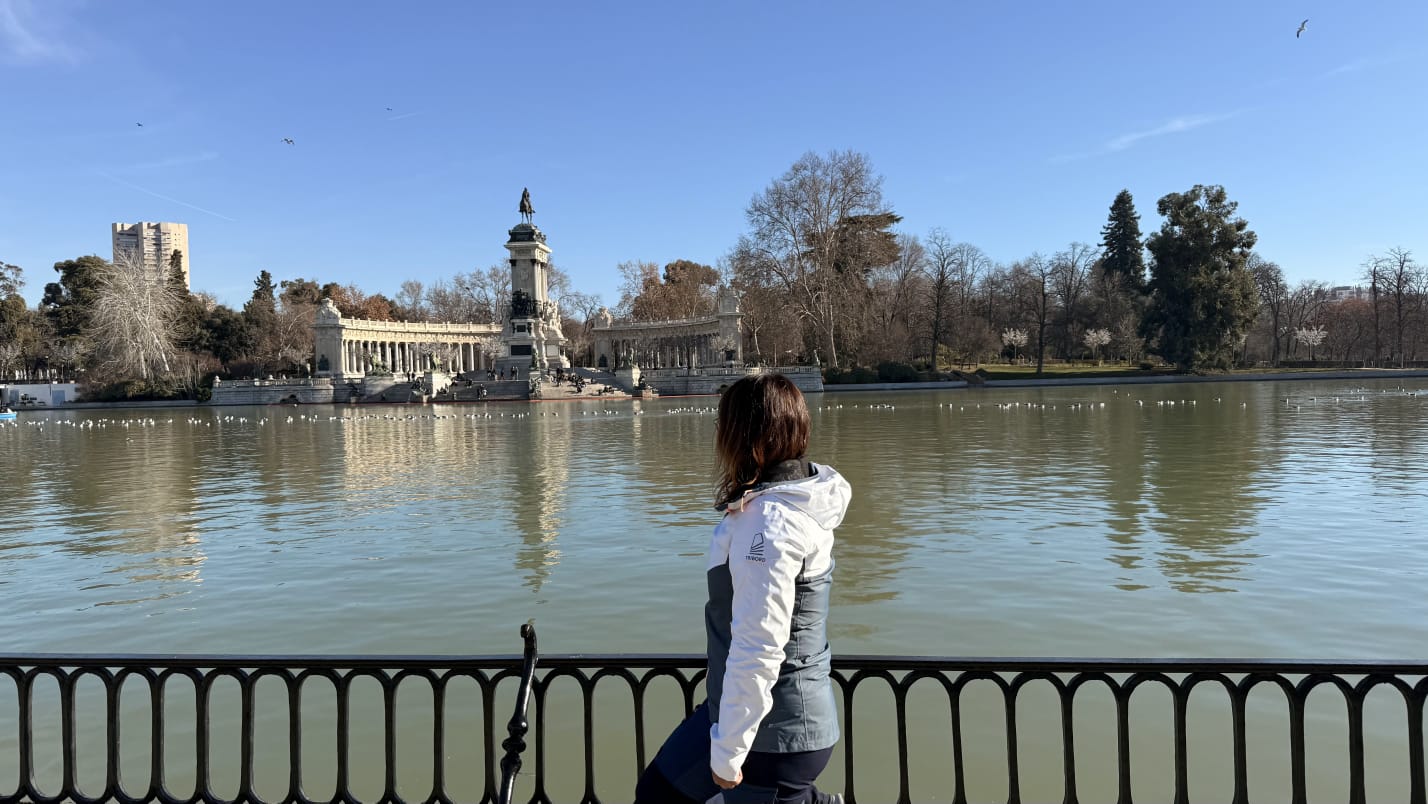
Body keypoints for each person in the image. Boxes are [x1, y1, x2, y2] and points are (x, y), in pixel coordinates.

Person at [634, 373, 851, 804]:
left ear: (746, 435)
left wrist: (730, 750)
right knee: (659, 791)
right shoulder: (782, 503)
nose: (717, 434)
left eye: (723, 423)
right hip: (763, 714)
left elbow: (760, 643)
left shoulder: (770, 521)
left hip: (774, 732)